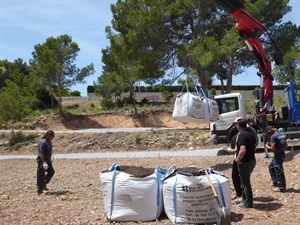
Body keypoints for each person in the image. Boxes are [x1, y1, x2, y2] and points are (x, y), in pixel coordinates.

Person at [234, 118, 257, 208]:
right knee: (245, 181)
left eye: (236, 124)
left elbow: (242, 149)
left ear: (239, 125)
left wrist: (238, 159)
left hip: (245, 162)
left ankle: (248, 203)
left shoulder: (242, 135)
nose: (236, 126)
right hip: (252, 160)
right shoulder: (251, 133)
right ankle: (245, 199)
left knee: (245, 183)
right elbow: (254, 147)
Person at [265, 125, 287, 192]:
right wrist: (280, 149)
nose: (268, 135)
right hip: (281, 154)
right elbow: (286, 145)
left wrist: (267, 146)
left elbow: (272, 149)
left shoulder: (273, 137)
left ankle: (282, 187)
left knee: (278, 170)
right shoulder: (280, 134)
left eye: (268, 134)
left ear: (270, 132)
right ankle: (276, 183)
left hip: (278, 156)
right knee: (271, 167)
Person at [36, 130, 55, 195]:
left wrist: (50, 158)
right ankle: (39, 189)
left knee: (51, 172)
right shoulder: (43, 142)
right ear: (47, 136)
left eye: (52, 138)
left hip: (47, 160)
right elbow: (41, 153)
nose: (51, 139)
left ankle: (43, 184)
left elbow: (49, 151)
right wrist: (44, 162)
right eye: (50, 137)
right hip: (42, 160)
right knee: (41, 174)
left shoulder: (49, 142)